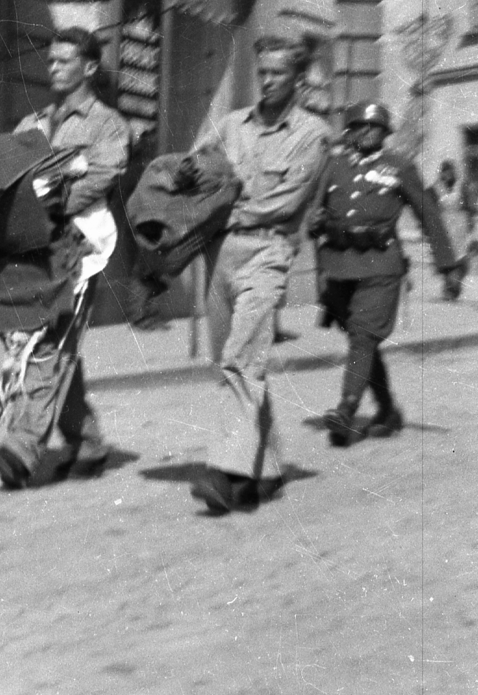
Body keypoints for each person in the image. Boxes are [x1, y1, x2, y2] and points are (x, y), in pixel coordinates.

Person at [0, 27, 131, 488]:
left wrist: (51, 205)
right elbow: (9, 174)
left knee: (51, 340)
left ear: (88, 67)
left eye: (64, 60)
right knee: (45, 340)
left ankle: (22, 446)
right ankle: (88, 442)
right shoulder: (34, 124)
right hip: (34, 245)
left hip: (80, 242)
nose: (54, 68)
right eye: (51, 60)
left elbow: (103, 173)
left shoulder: (107, 123)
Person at [185, 35, 328, 514]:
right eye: (263, 72)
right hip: (220, 255)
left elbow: (285, 203)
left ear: (298, 79)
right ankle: (263, 469)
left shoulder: (312, 134)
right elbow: (198, 167)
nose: (267, 81)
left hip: (268, 254)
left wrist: (229, 208)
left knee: (243, 361)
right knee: (227, 361)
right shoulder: (232, 125)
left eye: (278, 73)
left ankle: (225, 475)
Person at [308, 102, 463, 445]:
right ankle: (388, 410)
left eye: (374, 127)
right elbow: (313, 213)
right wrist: (314, 222)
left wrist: (448, 267)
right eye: (359, 126)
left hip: (381, 264)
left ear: (385, 133)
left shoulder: (399, 167)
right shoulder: (333, 166)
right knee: (362, 340)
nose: (366, 132)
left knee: (363, 336)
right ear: (349, 131)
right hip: (338, 266)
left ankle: (346, 408)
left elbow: (430, 216)